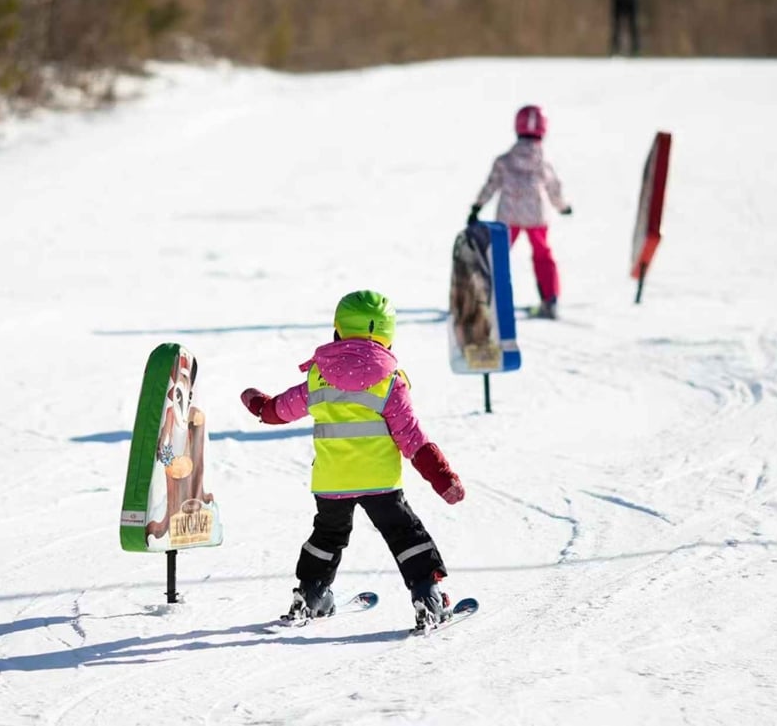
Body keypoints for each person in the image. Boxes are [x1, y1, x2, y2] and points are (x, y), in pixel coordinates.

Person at [239, 290, 466, 632]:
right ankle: (427, 596)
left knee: (327, 536)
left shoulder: (318, 376)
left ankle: (311, 594)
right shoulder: (390, 382)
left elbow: (281, 410)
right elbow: (412, 438)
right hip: (380, 482)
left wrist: (260, 405)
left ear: (339, 329)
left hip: (332, 481)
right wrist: (442, 476)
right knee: (404, 534)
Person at [469, 105, 572, 319]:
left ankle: (488, 301)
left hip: (509, 216)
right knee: (542, 255)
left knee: (497, 256)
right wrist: (563, 207)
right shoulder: (543, 163)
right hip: (536, 217)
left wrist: (477, 206)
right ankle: (550, 301)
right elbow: (554, 188)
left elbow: (491, 185)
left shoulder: (505, 161)